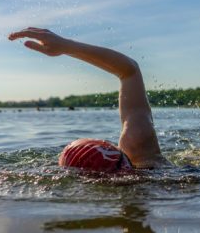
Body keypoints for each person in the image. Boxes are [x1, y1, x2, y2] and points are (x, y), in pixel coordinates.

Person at [9, 27, 169, 171]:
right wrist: (66, 46)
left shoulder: (142, 158)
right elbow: (130, 71)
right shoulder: (141, 153)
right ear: (114, 151)